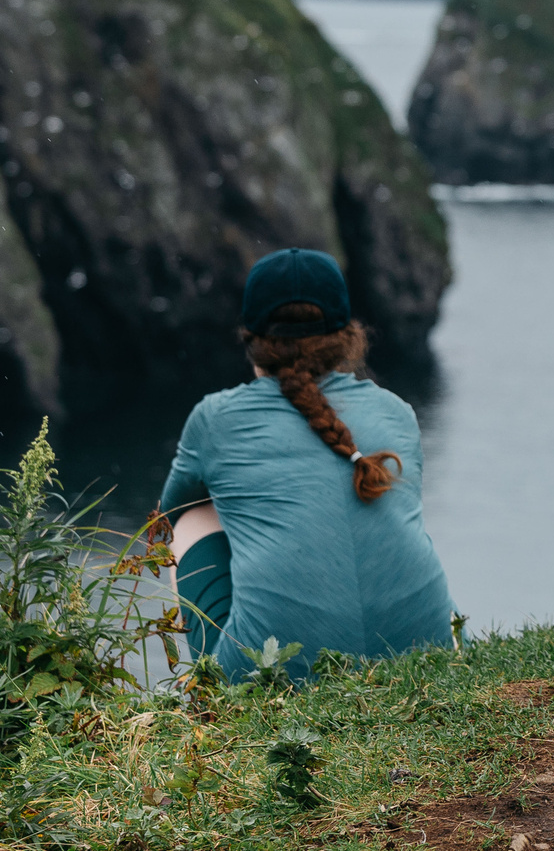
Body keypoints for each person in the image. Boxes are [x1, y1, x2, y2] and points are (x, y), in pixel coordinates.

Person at [160, 248, 454, 684]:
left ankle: (211, 696)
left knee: (191, 520)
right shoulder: (397, 411)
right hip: (427, 662)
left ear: (250, 339)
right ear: (349, 336)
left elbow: (163, 520)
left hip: (276, 676)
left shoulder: (215, 419)